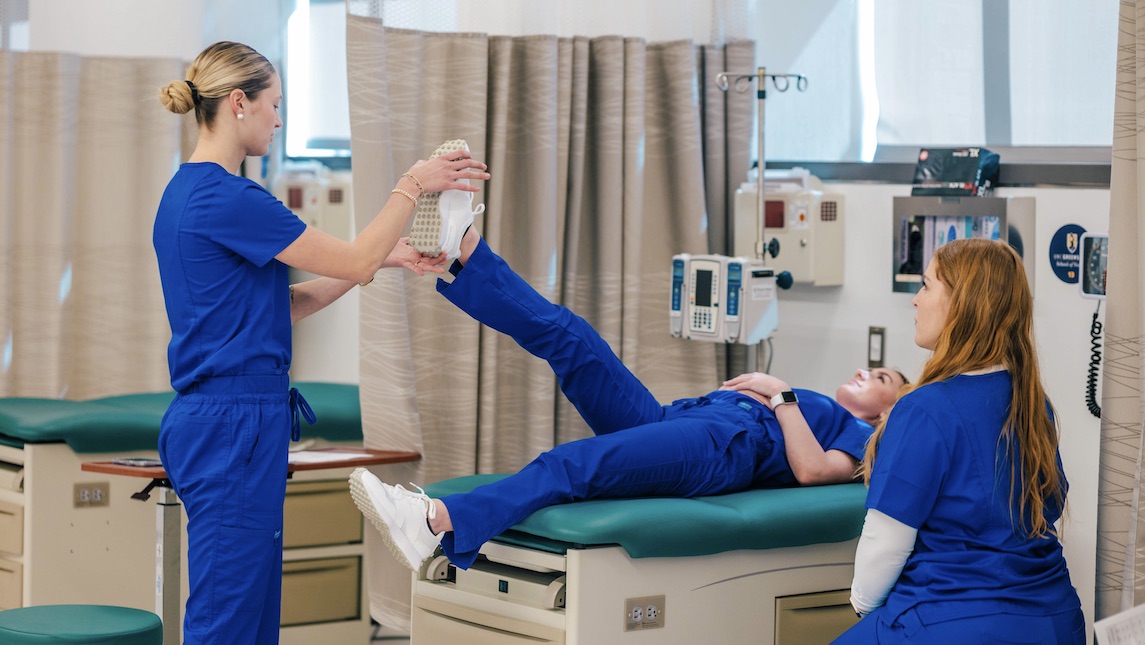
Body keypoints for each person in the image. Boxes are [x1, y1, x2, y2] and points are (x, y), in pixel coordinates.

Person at [152, 41, 489, 644]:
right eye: (273, 106)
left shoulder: (183, 193)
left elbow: (280, 307)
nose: (278, 121)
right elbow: (355, 260)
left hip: (223, 418)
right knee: (226, 621)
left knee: (248, 616)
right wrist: (413, 184)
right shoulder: (230, 199)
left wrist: (385, 259)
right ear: (238, 104)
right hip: (234, 424)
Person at [350, 226, 908, 573]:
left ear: (888, 410)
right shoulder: (830, 409)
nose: (864, 370)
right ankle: (464, 255)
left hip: (720, 450)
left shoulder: (862, 437)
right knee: (572, 340)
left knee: (574, 464)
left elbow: (811, 471)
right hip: (682, 418)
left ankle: (435, 521)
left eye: (879, 376)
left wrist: (779, 394)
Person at [834, 238, 1083, 644]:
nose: (916, 300)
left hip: (951, 623)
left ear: (961, 304)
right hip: (1055, 620)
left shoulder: (924, 408)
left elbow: (886, 542)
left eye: (927, 285)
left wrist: (863, 608)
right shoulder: (1034, 404)